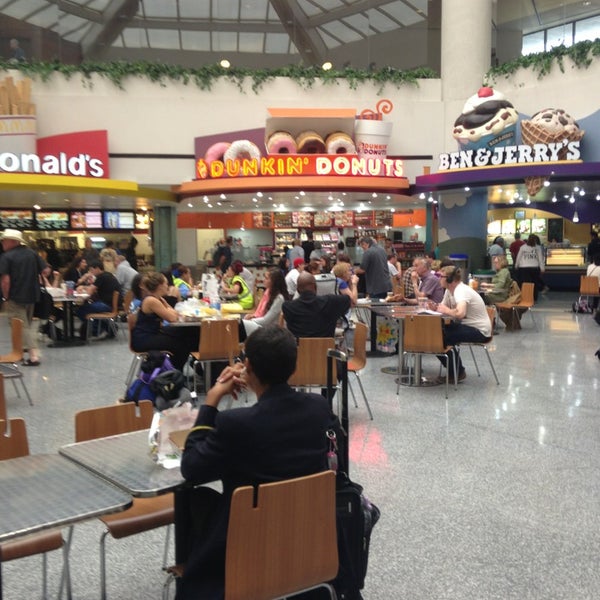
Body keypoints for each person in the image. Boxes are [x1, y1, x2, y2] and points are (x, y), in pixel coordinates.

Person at [177, 326, 343, 599]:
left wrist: (211, 402)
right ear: (293, 366)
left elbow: (191, 468)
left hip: (248, 549)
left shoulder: (235, 424)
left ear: (249, 366)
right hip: (307, 541)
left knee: (195, 498)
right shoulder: (318, 407)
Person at [429, 266, 492, 383]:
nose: (438, 280)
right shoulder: (449, 290)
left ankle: (457, 372)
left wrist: (445, 310)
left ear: (449, 279)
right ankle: (456, 371)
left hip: (479, 331)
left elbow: (460, 313)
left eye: (440, 277)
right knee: (436, 334)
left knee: (437, 337)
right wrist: (435, 307)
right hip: (468, 327)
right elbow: (443, 309)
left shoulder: (460, 290)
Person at [130, 271, 199, 371]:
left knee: (184, 333)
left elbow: (175, 313)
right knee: (180, 344)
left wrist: (169, 310)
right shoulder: (151, 300)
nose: (168, 286)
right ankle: (174, 373)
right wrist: (170, 311)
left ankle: (176, 371)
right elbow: (172, 318)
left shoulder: (159, 299)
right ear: (159, 286)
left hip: (153, 332)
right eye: (166, 283)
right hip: (144, 338)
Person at [0, 229, 46, 366]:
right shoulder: (32, 253)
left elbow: (5, 280)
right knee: (25, 325)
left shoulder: (7, 257)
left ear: (13, 241)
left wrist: (6, 297)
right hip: (32, 295)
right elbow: (45, 270)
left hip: (15, 295)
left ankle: (33, 356)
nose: (2, 242)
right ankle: (20, 352)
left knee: (21, 326)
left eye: (5, 240)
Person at [282, 272, 350, 338]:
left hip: (299, 348)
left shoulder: (287, 307)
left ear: (298, 290)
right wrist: (354, 284)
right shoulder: (331, 301)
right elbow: (349, 299)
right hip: (326, 348)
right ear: (316, 287)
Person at [76, 259, 122, 339]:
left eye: (91, 270)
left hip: (107, 304)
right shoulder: (107, 275)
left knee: (81, 310)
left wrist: (83, 286)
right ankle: (110, 327)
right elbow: (94, 288)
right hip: (113, 304)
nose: (91, 272)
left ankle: (96, 329)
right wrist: (85, 287)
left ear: (97, 268)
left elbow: (90, 291)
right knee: (88, 308)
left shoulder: (101, 277)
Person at [242, 268, 289, 338]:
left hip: (271, 331)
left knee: (241, 326)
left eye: (267, 278)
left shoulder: (279, 298)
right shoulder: (268, 293)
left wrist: (248, 321)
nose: (264, 280)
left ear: (274, 282)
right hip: (264, 326)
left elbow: (266, 320)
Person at [514, 234, 545, 301]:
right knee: (534, 284)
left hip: (524, 268)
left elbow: (518, 257)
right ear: (535, 240)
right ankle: (534, 298)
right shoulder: (538, 247)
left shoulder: (523, 247)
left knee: (525, 283)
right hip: (534, 268)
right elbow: (540, 259)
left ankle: (526, 297)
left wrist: (516, 265)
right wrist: (542, 268)